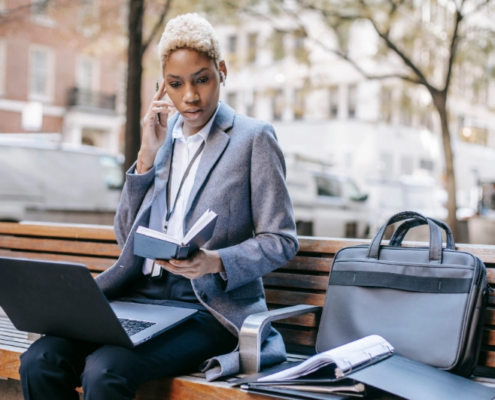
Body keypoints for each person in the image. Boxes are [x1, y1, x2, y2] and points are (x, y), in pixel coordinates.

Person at [19, 13, 298, 400]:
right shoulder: (161, 139)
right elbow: (125, 236)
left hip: (205, 307)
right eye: (175, 84)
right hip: (138, 296)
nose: (190, 96)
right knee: (40, 360)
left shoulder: (253, 139)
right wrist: (146, 159)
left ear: (222, 71)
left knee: (105, 371)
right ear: (162, 86)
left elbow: (280, 240)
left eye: (202, 79)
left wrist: (215, 261)